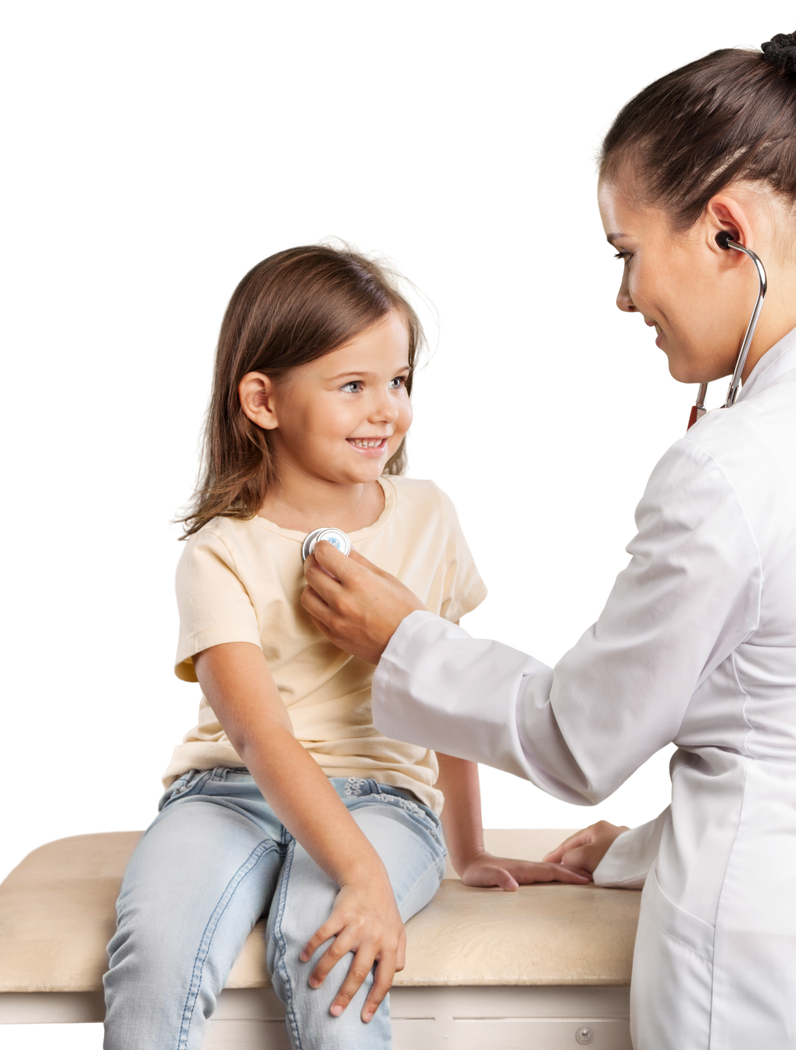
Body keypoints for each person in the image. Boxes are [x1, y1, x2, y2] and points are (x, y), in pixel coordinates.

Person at [296, 17, 796, 1050]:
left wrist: (401, 638)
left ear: (726, 230)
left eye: (625, 254)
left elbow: (579, 741)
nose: (622, 297)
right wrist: (641, 846)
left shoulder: (732, 462)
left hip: (758, 985)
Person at [100, 238, 591, 1050]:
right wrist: (359, 870)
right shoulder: (216, 554)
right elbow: (260, 736)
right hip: (225, 791)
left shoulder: (430, 512)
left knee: (322, 945)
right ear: (262, 400)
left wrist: (465, 848)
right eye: (352, 385)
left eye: (397, 382)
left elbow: (450, 687)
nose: (386, 410)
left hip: (385, 798)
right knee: (155, 950)